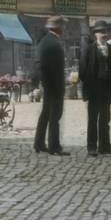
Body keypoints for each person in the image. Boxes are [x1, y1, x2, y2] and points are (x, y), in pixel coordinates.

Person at [79, 20, 111, 157]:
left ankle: (105, 146)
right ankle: (92, 147)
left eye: (105, 32)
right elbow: (82, 71)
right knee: (92, 119)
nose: (103, 34)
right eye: (100, 32)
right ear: (95, 34)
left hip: (106, 90)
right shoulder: (88, 50)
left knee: (105, 119)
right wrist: (87, 89)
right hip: (93, 90)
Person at [33, 15, 69, 156]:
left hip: (49, 84)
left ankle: (39, 144)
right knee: (55, 116)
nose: (64, 29)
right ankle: (54, 147)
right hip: (54, 85)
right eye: (63, 26)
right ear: (58, 28)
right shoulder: (53, 42)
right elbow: (46, 66)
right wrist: (52, 84)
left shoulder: (46, 41)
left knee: (46, 114)